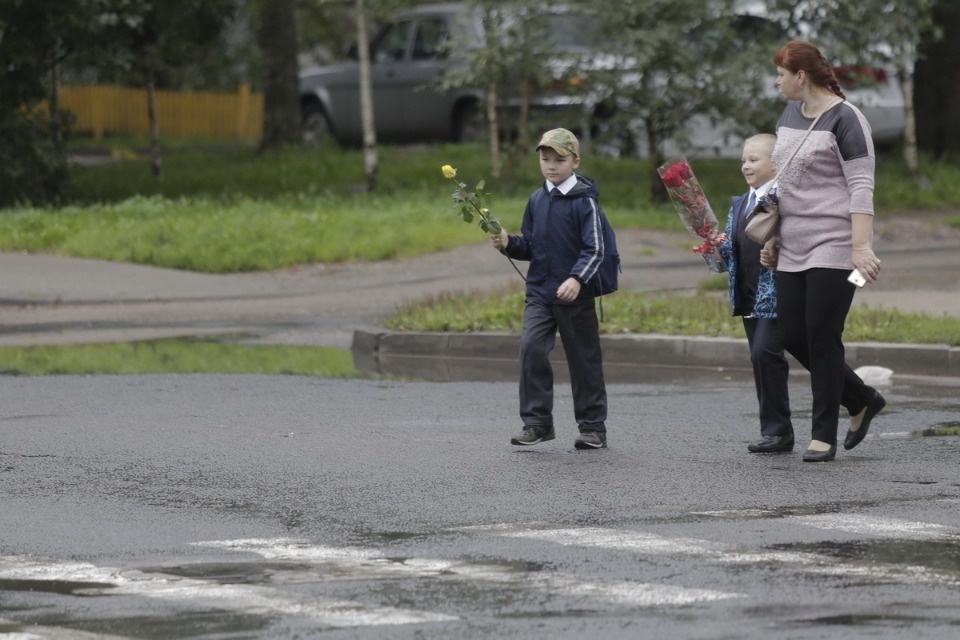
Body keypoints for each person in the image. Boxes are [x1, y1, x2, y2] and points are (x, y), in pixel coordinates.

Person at [760, 40, 886, 462]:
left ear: (800, 75)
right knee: (792, 334)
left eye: (780, 73)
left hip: (837, 247)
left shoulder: (848, 119)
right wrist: (774, 233)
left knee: (822, 336)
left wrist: (860, 248)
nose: (776, 80)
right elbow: (783, 182)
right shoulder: (789, 114)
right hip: (792, 243)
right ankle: (862, 398)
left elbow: (861, 187)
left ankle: (822, 435)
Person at [491, 128, 608, 449]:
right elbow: (531, 246)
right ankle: (537, 422)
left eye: (559, 159)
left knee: (584, 360)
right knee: (530, 349)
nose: (551, 165)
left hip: (575, 294)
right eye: (545, 159)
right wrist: (508, 243)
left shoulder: (585, 203)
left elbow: (595, 249)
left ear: (575, 161)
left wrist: (576, 279)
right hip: (541, 292)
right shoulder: (537, 199)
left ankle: (593, 427)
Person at [719, 134, 795, 454]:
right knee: (759, 357)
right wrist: (713, 246)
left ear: (775, 163)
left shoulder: (785, 197)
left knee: (765, 353)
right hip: (749, 293)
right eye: (743, 160)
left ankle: (778, 431)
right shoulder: (740, 203)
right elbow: (729, 249)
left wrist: (779, 250)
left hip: (777, 294)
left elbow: (797, 239)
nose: (746, 166)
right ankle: (774, 430)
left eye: (754, 160)